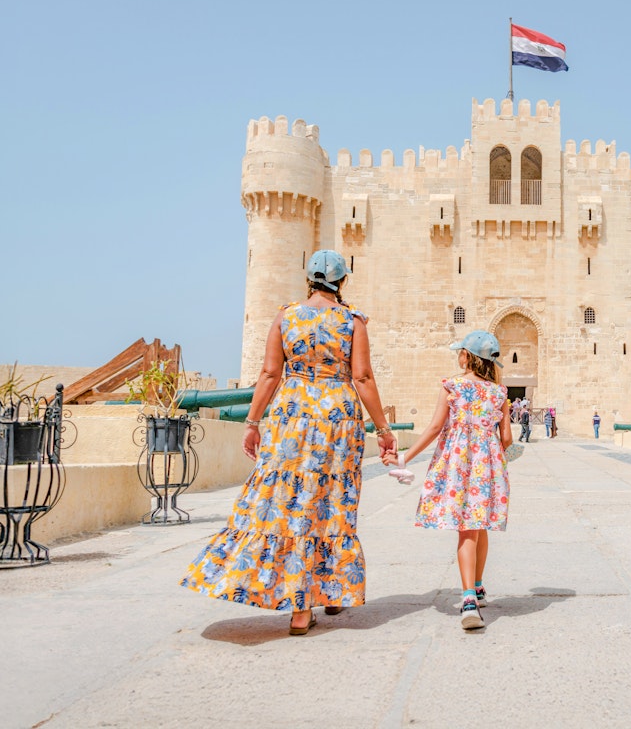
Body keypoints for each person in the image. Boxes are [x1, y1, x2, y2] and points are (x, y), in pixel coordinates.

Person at [182, 250, 396, 636]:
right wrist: (383, 430)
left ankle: (299, 610)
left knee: (287, 500)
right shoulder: (353, 321)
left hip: (290, 415)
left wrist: (252, 423)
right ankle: (329, 589)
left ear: (308, 279)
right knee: (330, 501)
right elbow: (362, 378)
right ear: (342, 281)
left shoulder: (287, 315)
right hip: (337, 419)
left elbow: (268, 373)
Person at [384, 330, 511, 629]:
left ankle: (468, 600)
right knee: (479, 525)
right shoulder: (500, 393)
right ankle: (479, 586)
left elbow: (433, 429)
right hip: (489, 467)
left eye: (460, 352)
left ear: (467, 356)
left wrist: (404, 458)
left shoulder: (451, 386)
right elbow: (506, 439)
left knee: (466, 530)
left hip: (459, 465)